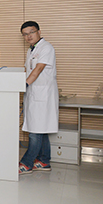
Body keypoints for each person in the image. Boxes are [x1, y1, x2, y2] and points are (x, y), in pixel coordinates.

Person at [18, 21, 59, 175]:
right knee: (41, 128)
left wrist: (24, 85)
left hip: (43, 94)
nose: (28, 36)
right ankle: (44, 161)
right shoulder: (32, 50)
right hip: (34, 93)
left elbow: (39, 69)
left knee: (35, 131)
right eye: (25, 34)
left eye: (31, 32)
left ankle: (26, 163)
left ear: (39, 32)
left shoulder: (46, 48)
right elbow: (28, 69)